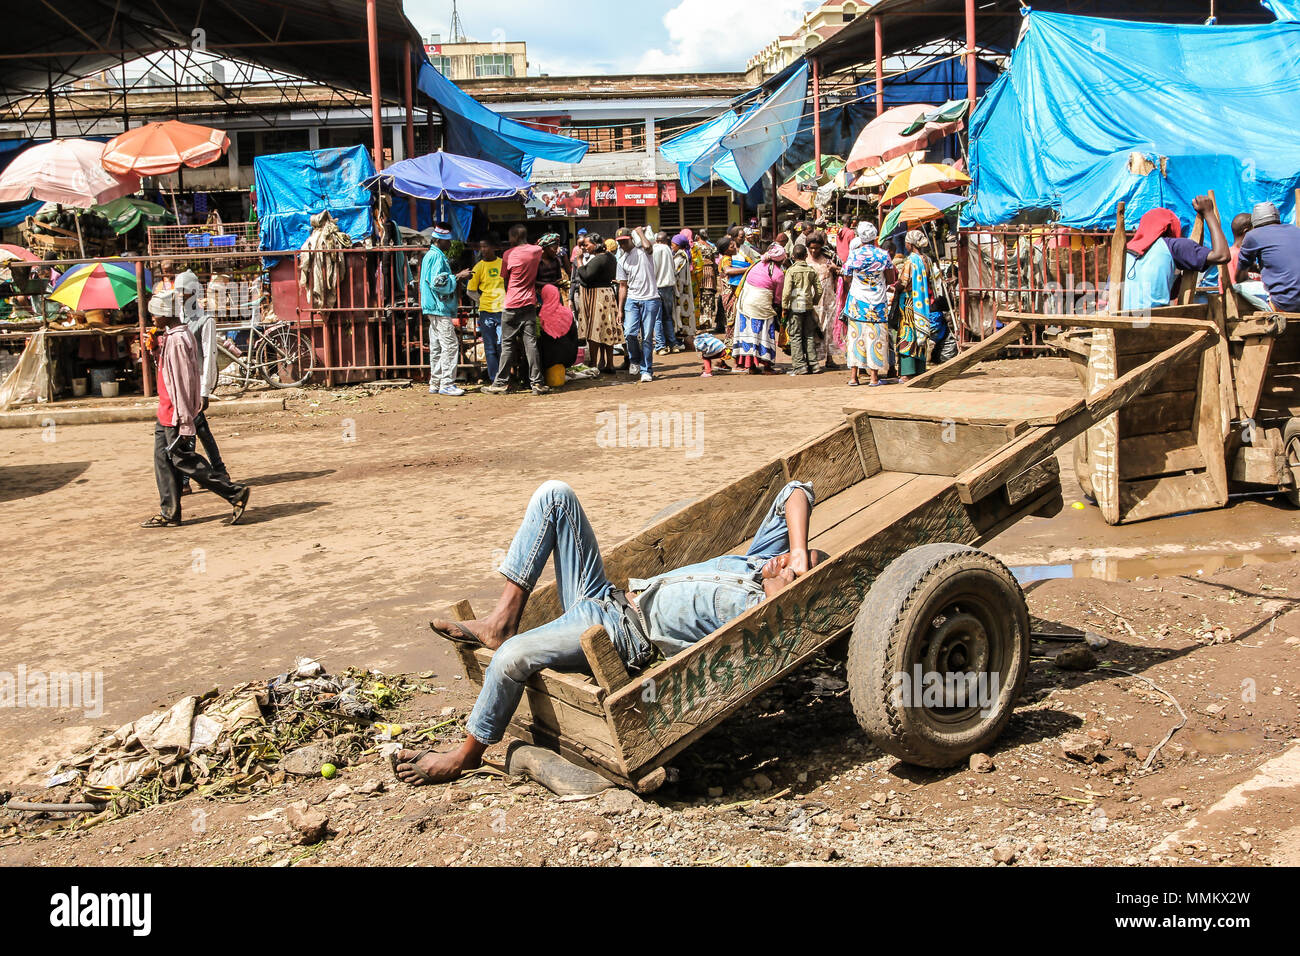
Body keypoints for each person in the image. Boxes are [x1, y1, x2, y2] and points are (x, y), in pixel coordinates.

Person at [398, 478, 823, 785]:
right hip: (604, 596)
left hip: (618, 633)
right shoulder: (758, 561)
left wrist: (781, 584)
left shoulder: (759, 609)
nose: (780, 562)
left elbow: (776, 616)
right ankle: (502, 619)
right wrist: (799, 553)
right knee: (555, 495)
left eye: (788, 568)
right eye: (786, 557)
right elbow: (796, 490)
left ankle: (465, 756)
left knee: (512, 659)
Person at [141, 296, 249, 528]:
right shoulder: (172, 336)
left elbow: (182, 381)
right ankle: (169, 512)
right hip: (166, 409)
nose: (152, 319)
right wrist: (155, 349)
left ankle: (234, 492)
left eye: (155, 314)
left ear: (166, 314)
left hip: (174, 411)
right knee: (163, 460)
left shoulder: (179, 339)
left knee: (183, 459)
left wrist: (183, 418)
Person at [1120, 196, 1228, 312]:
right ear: (1171, 228)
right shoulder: (1173, 246)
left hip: (1117, 317)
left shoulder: (1125, 252)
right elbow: (1222, 255)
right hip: (1152, 318)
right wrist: (1209, 213)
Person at [484, 224, 548, 396]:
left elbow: (505, 280)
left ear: (514, 237)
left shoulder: (507, 254)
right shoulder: (536, 251)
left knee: (507, 345)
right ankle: (537, 383)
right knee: (531, 345)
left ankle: (500, 383)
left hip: (512, 304)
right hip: (529, 304)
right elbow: (544, 243)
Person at [841, 222, 894, 387]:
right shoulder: (883, 255)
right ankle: (874, 378)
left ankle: (854, 377)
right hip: (878, 302)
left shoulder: (854, 255)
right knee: (876, 338)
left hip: (857, 302)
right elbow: (891, 279)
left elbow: (846, 277)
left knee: (856, 337)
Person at [420, 225, 462, 397]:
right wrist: (457, 277)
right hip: (439, 307)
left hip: (432, 307)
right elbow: (438, 283)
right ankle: (447, 383)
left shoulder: (430, 255)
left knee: (437, 347)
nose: (450, 243)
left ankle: (435, 383)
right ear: (439, 240)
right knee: (450, 345)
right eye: (448, 240)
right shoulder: (437, 257)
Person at [615, 226, 661, 383]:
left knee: (647, 336)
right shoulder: (621, 261)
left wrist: (639, 232)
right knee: (629, 333)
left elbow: (648, 246)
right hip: (632, 300)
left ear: (631, 239)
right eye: (619, 243)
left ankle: (646, 370)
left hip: (651, 299)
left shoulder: (643, 251)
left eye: (625, 241)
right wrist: (620, 310)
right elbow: (622, 286)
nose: (622, 245)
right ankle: (634, 359)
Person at [897, 229, 943, 382]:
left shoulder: (910, 261)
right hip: (923, 302)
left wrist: (893, 287)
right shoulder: (927, 260)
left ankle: (907, 372)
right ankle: (919, 368)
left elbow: (904, 282)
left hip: (910, 302)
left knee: (908, 334)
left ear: (910, 244)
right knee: (920, 333)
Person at [732, 242, 786, 374]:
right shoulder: (779, 274)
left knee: (748, 334)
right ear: (782, 259)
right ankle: (767, 366)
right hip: (762, 307)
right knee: (764, 333)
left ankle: (751, 366)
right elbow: (778, 298)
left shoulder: (756, 265)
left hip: (745, 303)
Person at [1237, 200, 1300, 312]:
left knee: (1236, 287)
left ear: (1254, 222)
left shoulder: (1252, 235)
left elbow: (1239, 277)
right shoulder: (1296, 230)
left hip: (1285, 304)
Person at [576, 233, 621, 374]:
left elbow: (586, 276)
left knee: (595, 330)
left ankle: (594, 363)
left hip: (597, 297)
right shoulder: (611, 257)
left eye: (587, 244)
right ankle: (608, 363)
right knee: (606, 329)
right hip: (607, 294)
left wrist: (579, 261)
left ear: (595, 245)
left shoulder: (599, 259)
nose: (585, 247)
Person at [464, 236, 505, 383]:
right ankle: (495, 378)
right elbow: (470, 290)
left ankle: (503, 376)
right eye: (481, 247)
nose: (483, 250)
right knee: (490, 347)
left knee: (502, 345)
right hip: (486, 311)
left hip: (502, 311)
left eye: (486, 246)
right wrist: (482, 300)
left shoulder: (503, 264)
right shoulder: (478, 267)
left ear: (494, 248)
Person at [782, 244, 823, 375]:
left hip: (795, 306)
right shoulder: (811, 271)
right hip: (808, 306)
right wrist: (814, 301)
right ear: (806, 256)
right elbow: (819, 290)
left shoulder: (791, 271)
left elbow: (787, 291)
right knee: (809, 335)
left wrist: (784, 306)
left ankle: (800, 366)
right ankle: (814, 364)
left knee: (796, 336)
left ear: (793, 257)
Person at [805, 232, 843, 370]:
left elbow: (840, 272)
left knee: (829, 329)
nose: (814, 251)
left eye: (817, 248)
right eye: (811, 248)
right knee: (813, 330)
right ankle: (812, 360)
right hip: (812, 303)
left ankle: (829, 358)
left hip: (828, 302)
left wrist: (835, 269)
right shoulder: (805, 261)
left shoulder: (828, 259)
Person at [651, 231, 680, 354]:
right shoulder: (668, 249)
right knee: (667, 317)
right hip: (669, 286)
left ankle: (661, 346)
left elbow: (654, 268)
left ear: (656, 240)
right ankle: (673, 344)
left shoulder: (655, 249)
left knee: (657, 318)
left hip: (657, 286)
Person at [671, 233, 696, 346]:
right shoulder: (681, 255)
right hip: (682, 289)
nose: (671, 247)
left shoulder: (680, 256)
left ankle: (680, 339)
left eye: (673, 244)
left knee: (680, 313)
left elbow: (674, 271)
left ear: (679, 245)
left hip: (680, 290)